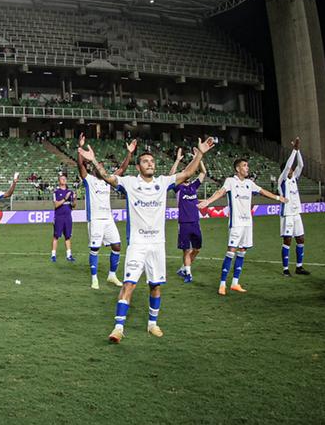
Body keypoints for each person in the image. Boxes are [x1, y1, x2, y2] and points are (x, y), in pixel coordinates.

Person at [93, 138, 215, 343]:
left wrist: (200, 154)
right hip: (137, 245)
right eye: (145, 161)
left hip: (157, 245)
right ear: (138, 166)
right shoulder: (130, 183)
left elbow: (187, 173)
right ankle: (118, 328)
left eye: (152, 161)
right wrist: (95, 161)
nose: (150, 163)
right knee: (129, 284)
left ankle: (152, 324)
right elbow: (107, 178)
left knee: (155, 286)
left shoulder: (162, 182)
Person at [198, 156, 287, 295]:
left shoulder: (249, 183)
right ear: (238, 168)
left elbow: (262, 191)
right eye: (245, 166)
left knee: (242, 252)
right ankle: (222, 284)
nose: (247, 168)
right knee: (230, 251)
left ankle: (235, 283)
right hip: (236, 223)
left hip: (247, 223)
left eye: (247, 165)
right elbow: (220, 192)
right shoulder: (230, 181)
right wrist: (208, 201)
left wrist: (277, 198)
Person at [78, 136, 135, 289]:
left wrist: (129, 153)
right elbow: (80, 166)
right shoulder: (89, 179)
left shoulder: (108, 180)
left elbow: (122, 169)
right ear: (94, 168)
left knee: (117, 246)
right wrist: (80, 149)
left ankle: (112, 275)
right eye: (99, 166)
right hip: (95, 220)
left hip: (108, 219)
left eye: (103, 166)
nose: (102, 168)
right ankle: (94, 278)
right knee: (94, 249)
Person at [169, 147, 206, 283]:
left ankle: (184, 268)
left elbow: (203, 172)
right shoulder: (178, 187)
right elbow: (171, 176)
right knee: (186, 250)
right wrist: (177, 161)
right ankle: (188, 274)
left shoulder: (193, 186)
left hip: (195, 222)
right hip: (184, 223)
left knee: (197, 249)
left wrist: (199, 157)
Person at [278, 137, 310, 276]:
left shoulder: (294, 179)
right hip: (287, 214)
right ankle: (285, 269)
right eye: (290, 168)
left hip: (296, 213)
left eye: (291, 169)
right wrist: (293, 150)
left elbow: (301, 165)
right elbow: (287, 166)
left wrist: (298, 151)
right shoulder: (282, 179)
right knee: (288, 240)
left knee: (301, 239)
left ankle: (299, 267)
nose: (292, 170)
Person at [50, 173, 76, 263]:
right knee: (56, 236)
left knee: (68, 236)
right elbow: (56, 205)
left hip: (68, 217)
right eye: (62, 179)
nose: (64, 180)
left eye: (65, 178)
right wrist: (65, 198)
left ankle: (69, 255)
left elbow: (73, 206)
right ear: (59, 181)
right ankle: (53, 255)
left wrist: (75, 199)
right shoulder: (56, 192)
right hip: (59, 217)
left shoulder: (70, 192)